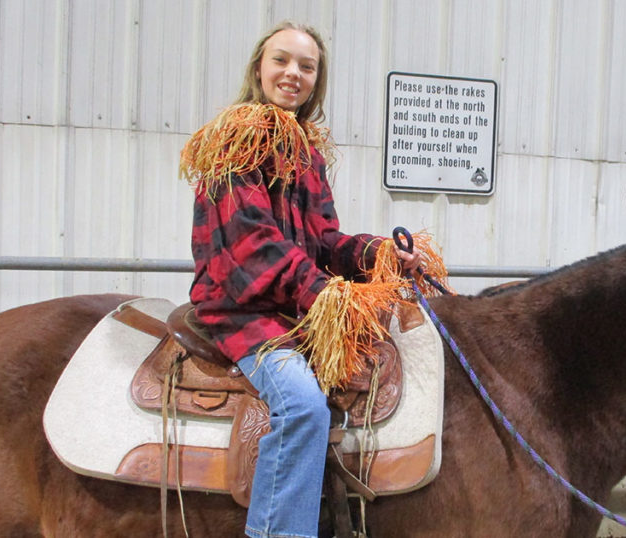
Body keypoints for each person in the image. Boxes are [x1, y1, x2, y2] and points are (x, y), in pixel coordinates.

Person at [180, 22, 419, 537]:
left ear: (317, 79)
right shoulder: (234, 141)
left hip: (291, 307)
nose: (293, 74)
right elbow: (254, 246)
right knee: (304, 407)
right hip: (244, 312)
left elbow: (324, 241)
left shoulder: (305, 152)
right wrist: (329, 297)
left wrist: (382, 255)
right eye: (281, 61)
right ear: (259, 69)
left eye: (306, 67)